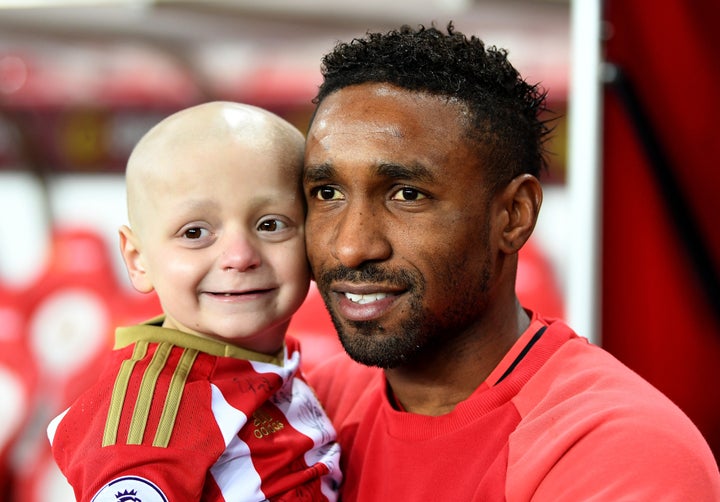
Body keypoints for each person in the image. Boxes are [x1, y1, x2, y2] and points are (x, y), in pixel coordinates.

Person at [302, 23, 720, 500]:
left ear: (514, 215)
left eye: (407, 194)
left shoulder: (622, 447)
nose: (351, 247)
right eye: (327, 193)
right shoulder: (311, 404)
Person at [47, 101, 341, 502]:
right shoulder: (150, 423)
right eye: (195, 232)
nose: (239, 256)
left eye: (270, 225)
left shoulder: (268, 359)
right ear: (139, 260)